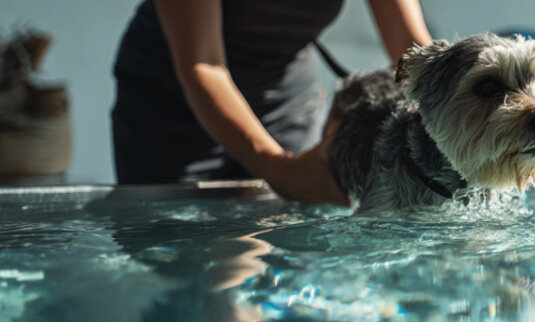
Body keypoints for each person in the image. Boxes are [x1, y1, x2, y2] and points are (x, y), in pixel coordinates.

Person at [111, 0, 432, 205]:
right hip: (171, 103)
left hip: (284, 94)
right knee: (181, 259)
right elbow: (204, 63)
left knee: (280, 250)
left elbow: (409, 46)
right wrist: (275, 166)